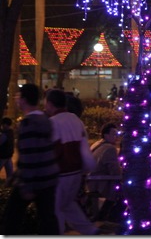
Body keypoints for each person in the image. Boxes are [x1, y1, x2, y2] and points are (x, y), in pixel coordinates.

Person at [3, 84, 60, 235]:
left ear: (24, 99)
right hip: (49, 177)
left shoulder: (27, 123)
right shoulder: (45, 119)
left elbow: (30, 156)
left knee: (11, 216)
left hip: (34, 179)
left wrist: (27, 186)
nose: (16, 100)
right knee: (47, 219)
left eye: (18, 96)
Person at [45, 88, 99, 235]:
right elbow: (83, 147)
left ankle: (59, 233)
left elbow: (53, 150)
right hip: (75, 173)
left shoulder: (52, 123)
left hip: (61, 173)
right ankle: (90, 230)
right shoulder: (76, 120)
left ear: (50, 103)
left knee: (56, 209)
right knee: (68, 205)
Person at [88, 123, 122, 221]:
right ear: (106, 135)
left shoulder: (97, 144)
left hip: (91, 181)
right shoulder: (110, 148)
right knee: (125, 189)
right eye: (114, 134)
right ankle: (110, 216)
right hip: (100, 182)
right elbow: (115, 172)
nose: (116, 137)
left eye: (117, 134)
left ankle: (106, 215)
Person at [0, 117, 14, 185]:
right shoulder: (11, 132)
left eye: (3, 124)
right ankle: (10, 184)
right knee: (9, 171)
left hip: (3, 155)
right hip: (8, 155)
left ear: (6, 124)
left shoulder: (5, 134)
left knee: (9, 170)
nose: (2, 126)